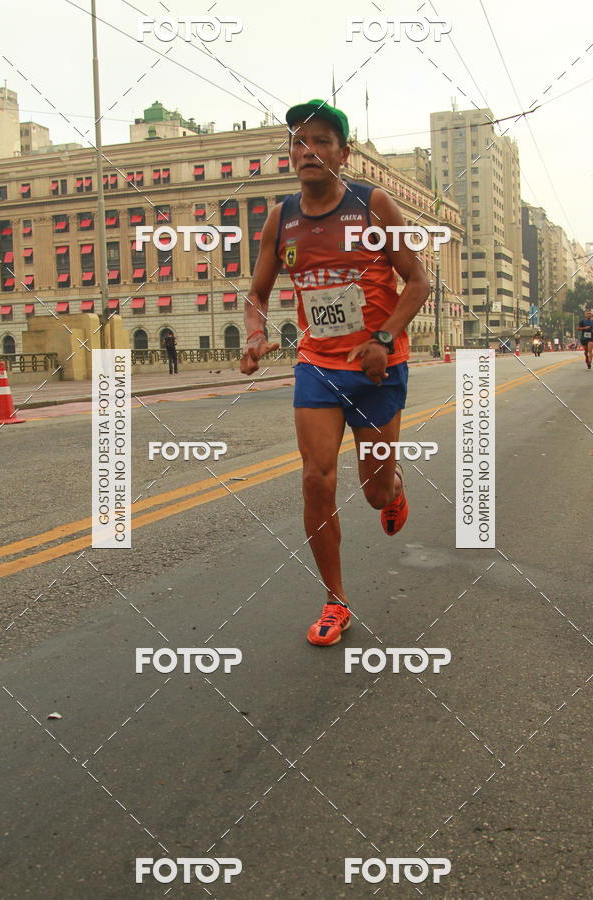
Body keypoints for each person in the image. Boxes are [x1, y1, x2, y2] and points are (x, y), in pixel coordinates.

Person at [240, 99, 429, 646]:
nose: (309, 150)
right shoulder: (282, 218)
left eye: (322, 140)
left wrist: (384, 336)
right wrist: (256, 333)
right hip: (318, 368)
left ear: (343, 154)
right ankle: (335, 601)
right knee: (315, 481)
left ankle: (392, 488)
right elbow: (256, 294)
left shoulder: (374, 205)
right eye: (300, 141)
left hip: (377, 369)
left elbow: (416, 281)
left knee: (371, 494)